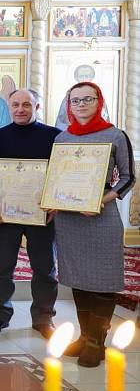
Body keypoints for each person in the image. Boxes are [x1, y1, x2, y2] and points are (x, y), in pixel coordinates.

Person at [52, 82, 134, 367]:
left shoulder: (115, 135)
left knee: (101, 278)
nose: (81, 104)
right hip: (70, 219)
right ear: (68, 106)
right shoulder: (62, 138)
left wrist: (102, 200)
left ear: (99, 101)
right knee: (79, 278)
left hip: (101, 216)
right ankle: (85, 335)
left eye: (88, 99)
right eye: (75, 100)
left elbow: (127, 177)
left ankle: (97, 341)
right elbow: (57, 177)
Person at [0, 89, 61, 339]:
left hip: (42, 215)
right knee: (2, 267)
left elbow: (60, 174)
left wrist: (55, 204)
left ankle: (43, 318)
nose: (20, 109)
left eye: (27, 104)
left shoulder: (55, 136)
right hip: (5, 215)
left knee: (45, 268)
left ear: (37, 107)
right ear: (9, 106)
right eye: (15, 104)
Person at [54, 65, 112, 131]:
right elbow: (61, 121)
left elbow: (104, 117)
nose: (84, 78)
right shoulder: (69, 97)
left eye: (87, 76)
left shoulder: (97, 96)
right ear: (76, 77)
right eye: (81, 76)